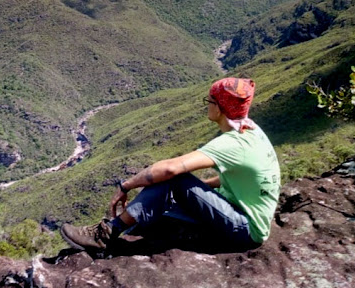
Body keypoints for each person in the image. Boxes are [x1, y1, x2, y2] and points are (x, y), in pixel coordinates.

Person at [60, 77, 281, 252]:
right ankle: (118, 232)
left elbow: (169, 169)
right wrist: (200, 189)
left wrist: (126, 186)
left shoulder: (233, 144)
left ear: (221, 107)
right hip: (245, 216)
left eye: (210, 101)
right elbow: (234, 177)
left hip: (245, 229)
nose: (207, 106)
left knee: (173, 179)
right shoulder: (252, 132)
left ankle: (106, 235)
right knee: (170, 199)